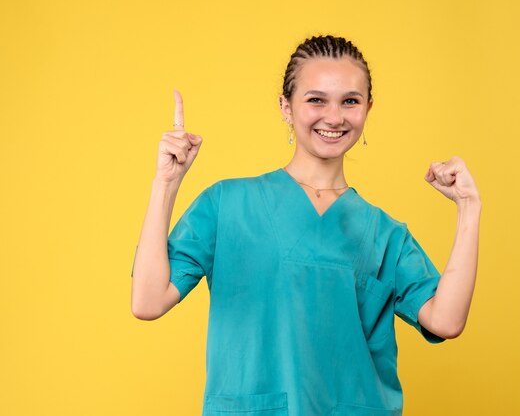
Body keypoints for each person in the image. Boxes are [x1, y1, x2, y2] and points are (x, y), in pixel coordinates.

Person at [131, 35, 481, 416]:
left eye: (350, 100)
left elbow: (446, 321)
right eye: (316, 99)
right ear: (286, 106)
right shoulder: (226, 205)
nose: (334, 117)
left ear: (368, 108)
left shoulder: (385, 234)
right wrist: (166, 184)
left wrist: (469, 208)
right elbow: (148, 302)